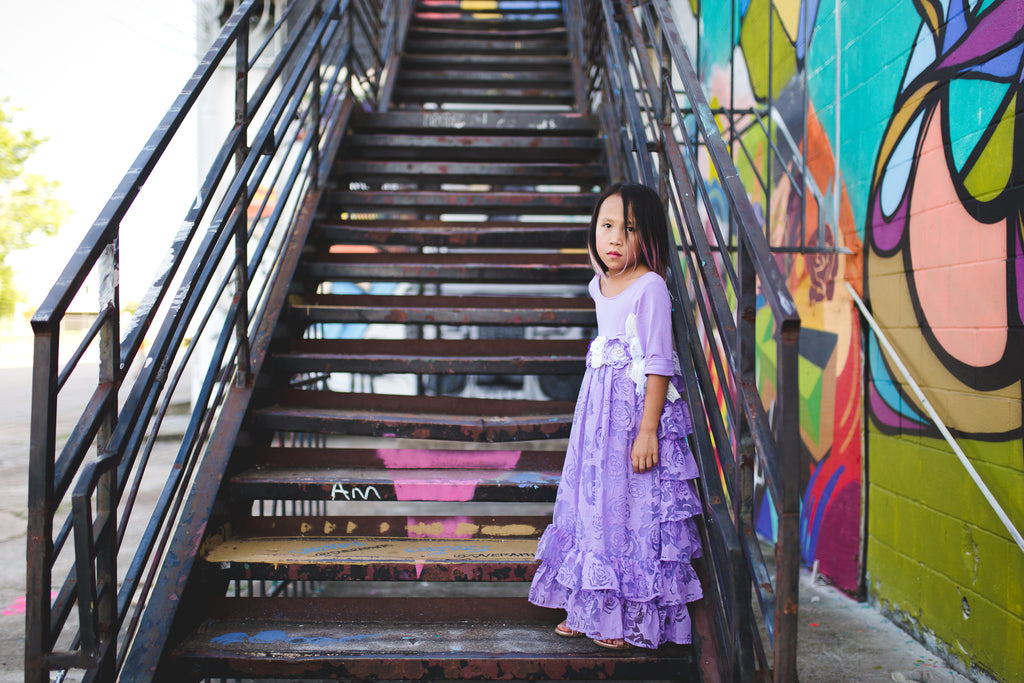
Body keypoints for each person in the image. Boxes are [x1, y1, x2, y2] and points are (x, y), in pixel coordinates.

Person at [528, 182, 703, 650]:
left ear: (647, 236)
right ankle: (590, 603)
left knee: (630, 509)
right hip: (597, 419)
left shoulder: (651, 287)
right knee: (594, 504)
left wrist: (648, 431)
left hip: (632, 417)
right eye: (607, 227)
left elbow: (659, 362)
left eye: (628, 229)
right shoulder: (599, 284)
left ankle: (626, 613)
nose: (615, 239)